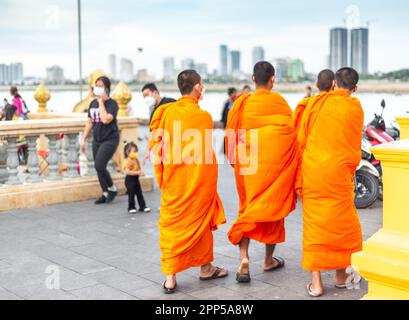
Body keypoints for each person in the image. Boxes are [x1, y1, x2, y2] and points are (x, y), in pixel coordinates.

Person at [149, 69, 228, 294]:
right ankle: (205, 268)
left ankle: (171, 277)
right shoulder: (203, 117)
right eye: (201, 84)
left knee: (173, 227)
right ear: (196, 88)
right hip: (197, 183)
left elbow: (157, 149)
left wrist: (162, 177)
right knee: (201, 223)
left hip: (175, 183)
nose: (203, 88)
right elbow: (205, 155)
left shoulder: (166, 113)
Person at [225, 61, 299, 283]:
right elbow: (291, 135)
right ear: (273, 80)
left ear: (253, 79)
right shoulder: (281, 103)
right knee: (272, 209)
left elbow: (231, 134)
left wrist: (234, 161)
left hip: (248, 165)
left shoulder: (242, 103)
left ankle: (244, 260)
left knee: (247, 207)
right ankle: (268, 260)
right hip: (274, 166)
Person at [297, 67, 364, 297]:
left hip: (315, 172)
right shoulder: (355, 108)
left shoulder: (316, 104)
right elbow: (354, 145)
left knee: (315, 225)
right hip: (339, 175)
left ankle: (316, 284)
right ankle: (340, 275)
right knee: (342, 224)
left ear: (334, 83)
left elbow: (301, 138)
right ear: (354, 88)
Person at [80, 76, 119, 205]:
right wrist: (83, 138)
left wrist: (101, 102)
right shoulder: (92, 103)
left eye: (100, 85)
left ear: (106, 88)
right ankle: (105, 192)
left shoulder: (112, 104)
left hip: (110, 139)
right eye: (96, 85)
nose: (97, 88)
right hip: (97, 139)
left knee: (99, 165)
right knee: (98, 167)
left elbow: (105, 119)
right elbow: (90, 122)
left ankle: (112, 188)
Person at [292, 70, 335, 136]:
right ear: (334, 84)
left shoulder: (305, 103)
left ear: (316, 84)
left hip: (309, 144)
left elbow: (295, 125)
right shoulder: (341, 105)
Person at [123, 142, 151, 214]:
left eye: (136, 151)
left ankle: (143, 206)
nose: (136, 153)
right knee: (131, 194)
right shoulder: (127, 161)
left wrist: (141, 172)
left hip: (136, 179)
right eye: (134, 151)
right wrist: (138, 173)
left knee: (139, 193)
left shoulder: (136, 160)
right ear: (127, 152)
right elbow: (128, 172)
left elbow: (138, 169)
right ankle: (131, 207)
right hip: (129, 180)